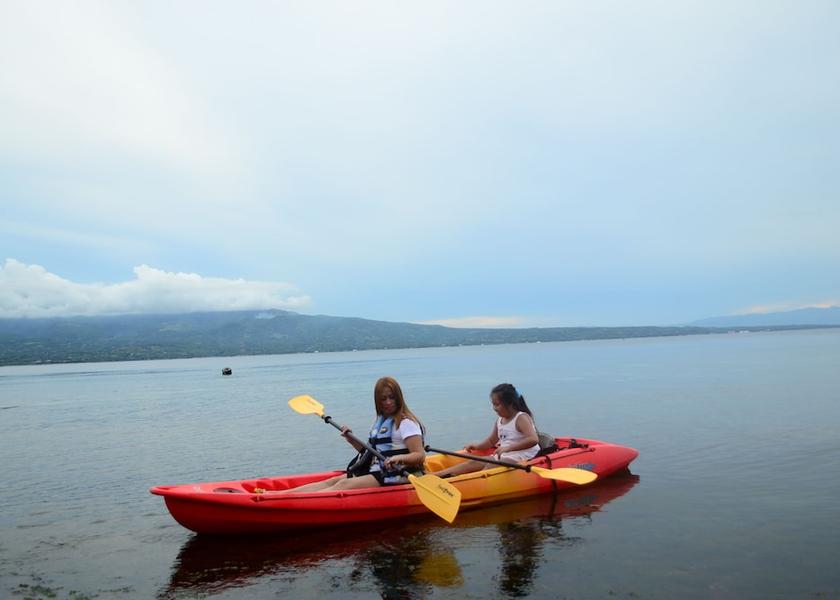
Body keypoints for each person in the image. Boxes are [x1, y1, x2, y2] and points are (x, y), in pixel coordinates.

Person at [271, 377, 426, 493]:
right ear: (377, 401)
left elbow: (419, 455)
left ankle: (294, 502)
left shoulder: (406, 423)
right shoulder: (381, 422)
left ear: (398, 398)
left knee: (343, 484)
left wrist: (398, 458)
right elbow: (369, 453)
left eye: (391, 397)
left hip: (398, 475)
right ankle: (278, 495)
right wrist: (352, 440)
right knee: (333, 481)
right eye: (383, 399)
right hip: (378, 471)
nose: (388, 402)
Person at [435, 383, 539, 478]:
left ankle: (466, 482)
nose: (494, 408)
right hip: (505, 454)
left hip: (524, 455)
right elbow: (491, 441)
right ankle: (436, 475)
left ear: (510, 404)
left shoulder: (521, 418)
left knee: (490, 466)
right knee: (472, 463)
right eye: (493, 404)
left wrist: (508, 448)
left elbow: (533, 439)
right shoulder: (500, 420)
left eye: (497, 404)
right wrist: (477, 446)